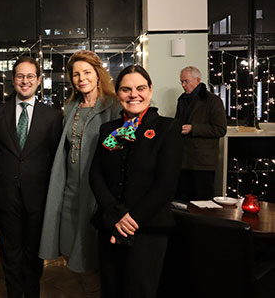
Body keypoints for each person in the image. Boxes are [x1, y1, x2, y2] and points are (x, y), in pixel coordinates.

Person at [89, 65, 182, 298]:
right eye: (126, 89)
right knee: (110, 290)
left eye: (140, 88)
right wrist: (116, 214)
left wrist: (131, 220)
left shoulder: (167, 128)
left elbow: (166, 183)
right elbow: (96, 175)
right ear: (118, 94)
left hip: (147, 229)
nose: (134, 94)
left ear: (150, 90)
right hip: (111, 223)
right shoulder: (110, 130)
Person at [39, 50, 119, 297]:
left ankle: (94, 292)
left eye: (86, 72)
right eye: (76, 74)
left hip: (95, 194)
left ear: (98, 75)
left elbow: (120, 151)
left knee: (90, 256)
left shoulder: (114, 106)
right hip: (68, 192)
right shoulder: (70, 107)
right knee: (66, 248)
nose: (81, 78)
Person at [0, 56, 61, 298]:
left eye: (30, 76)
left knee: (33, 253)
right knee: (10, 253)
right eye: (20, 76)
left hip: (38, 198)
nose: (25, 81)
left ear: (39, 80)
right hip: (6, 198)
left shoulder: (52, 117)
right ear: (13, 80)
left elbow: (55, 159)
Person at [174, 66, 227, 201]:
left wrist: (193, 128)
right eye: (181, 82)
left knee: (204, 201)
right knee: (183, 199)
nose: (183, 85)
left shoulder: (213, 101)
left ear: (197, 80)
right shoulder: (182, 100)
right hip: (184, 159)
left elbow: (220, 129)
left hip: (203, 161)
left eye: (186, 81)